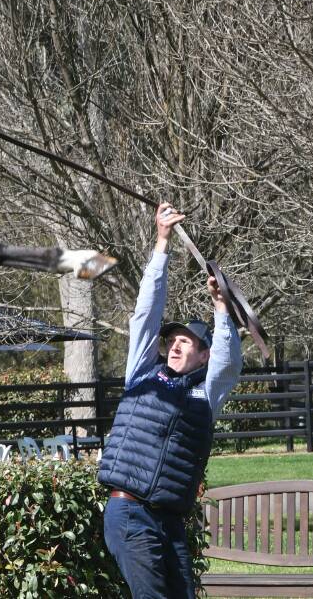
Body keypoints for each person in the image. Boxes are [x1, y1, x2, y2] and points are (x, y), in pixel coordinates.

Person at [98, 202, 243, 599]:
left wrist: (221, 308)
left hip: (170, 520)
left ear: (203, 355)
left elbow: (228, 363)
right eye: (173, 341)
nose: (176, 347)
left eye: (188, 343)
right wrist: (161, 243)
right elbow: (146, 314)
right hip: (128, 513)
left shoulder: (205, 394)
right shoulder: (142, 374)